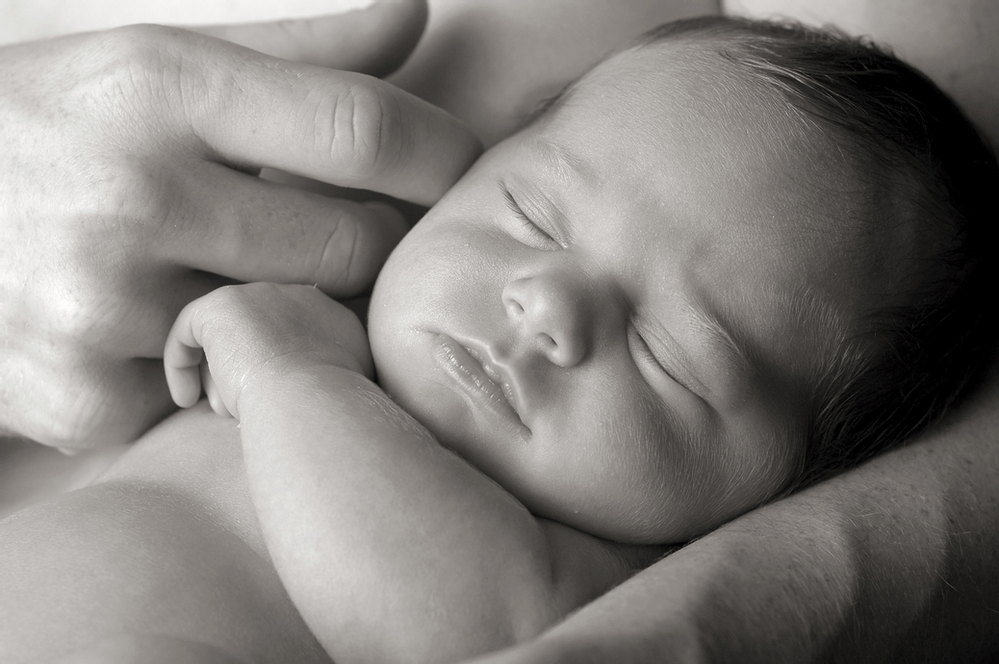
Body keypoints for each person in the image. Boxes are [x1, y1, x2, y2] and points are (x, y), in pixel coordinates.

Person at [1, 0, 997, 662]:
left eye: (675, 357)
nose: (553, 305)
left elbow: (462, 637)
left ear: (780, 490)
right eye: (531, 216)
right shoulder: (341, 311)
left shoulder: (568, 564)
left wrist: (291, 381)